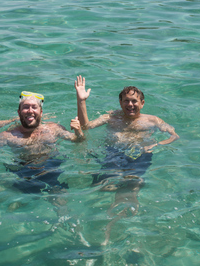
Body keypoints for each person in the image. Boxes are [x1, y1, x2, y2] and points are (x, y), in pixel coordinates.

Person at [74, 75, 179, 245]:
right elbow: (86, 127)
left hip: (140, 155)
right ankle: (104, 222)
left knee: (132, 184)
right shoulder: (111, 117)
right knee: (105, 186)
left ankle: (120, 227)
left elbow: (174, 135)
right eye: (126, 101)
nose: (130, 104)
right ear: (120, 103)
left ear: (142, 103)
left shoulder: (152, 120)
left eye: (134, 101)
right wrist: (81, 100)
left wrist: (157, 144)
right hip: (113, 153)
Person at [0, 91, 85, 215]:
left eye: (34, 107)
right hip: (24, 170)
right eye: (25, 107)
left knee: (61, 203)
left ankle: (65, 224)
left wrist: (79, 132)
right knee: (17, 206)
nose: (30, 110)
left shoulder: (54, 128)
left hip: (51, 166)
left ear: (41, 112)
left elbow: (78, 141)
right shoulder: (8, 135)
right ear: (19, 112)